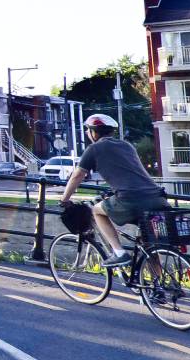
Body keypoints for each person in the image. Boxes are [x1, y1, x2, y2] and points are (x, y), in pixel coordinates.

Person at [58, 113, 168, 267]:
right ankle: (158, 286)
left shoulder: (94, 149)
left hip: (131, 199)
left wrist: (64, 199)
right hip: (157, 197)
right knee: (148, 244)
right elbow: (130, 172)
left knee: (96, 211)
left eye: (88, 130)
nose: (87, 133)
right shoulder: (127, 145)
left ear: (94, 132)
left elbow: (78, 176)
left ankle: (119, 253)